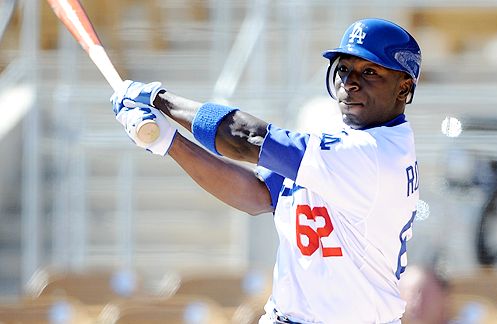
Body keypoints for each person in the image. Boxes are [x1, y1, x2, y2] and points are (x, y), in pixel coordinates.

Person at [110, 18, 422, 324]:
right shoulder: (343, 143)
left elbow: (247, 138)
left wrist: (158, 99)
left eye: (370, 72)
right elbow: (259, 195)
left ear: (403, 87)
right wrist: (169, 141)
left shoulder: (373, 154)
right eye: (343, 69)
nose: (350, 82)